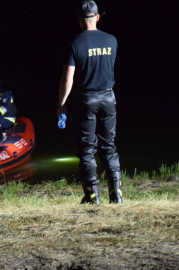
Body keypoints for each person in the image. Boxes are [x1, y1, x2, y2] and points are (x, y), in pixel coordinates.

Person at [57, 0, 122, 204]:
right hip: (109, 97)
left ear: (79, 20)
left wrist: (61, 105)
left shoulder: (75, 43)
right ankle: (116, 193)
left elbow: (68, 78)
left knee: (87, 149)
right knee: (109, 146)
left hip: (86, 99)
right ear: (98, 17)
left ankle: (92, 195)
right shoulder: (112, 40)